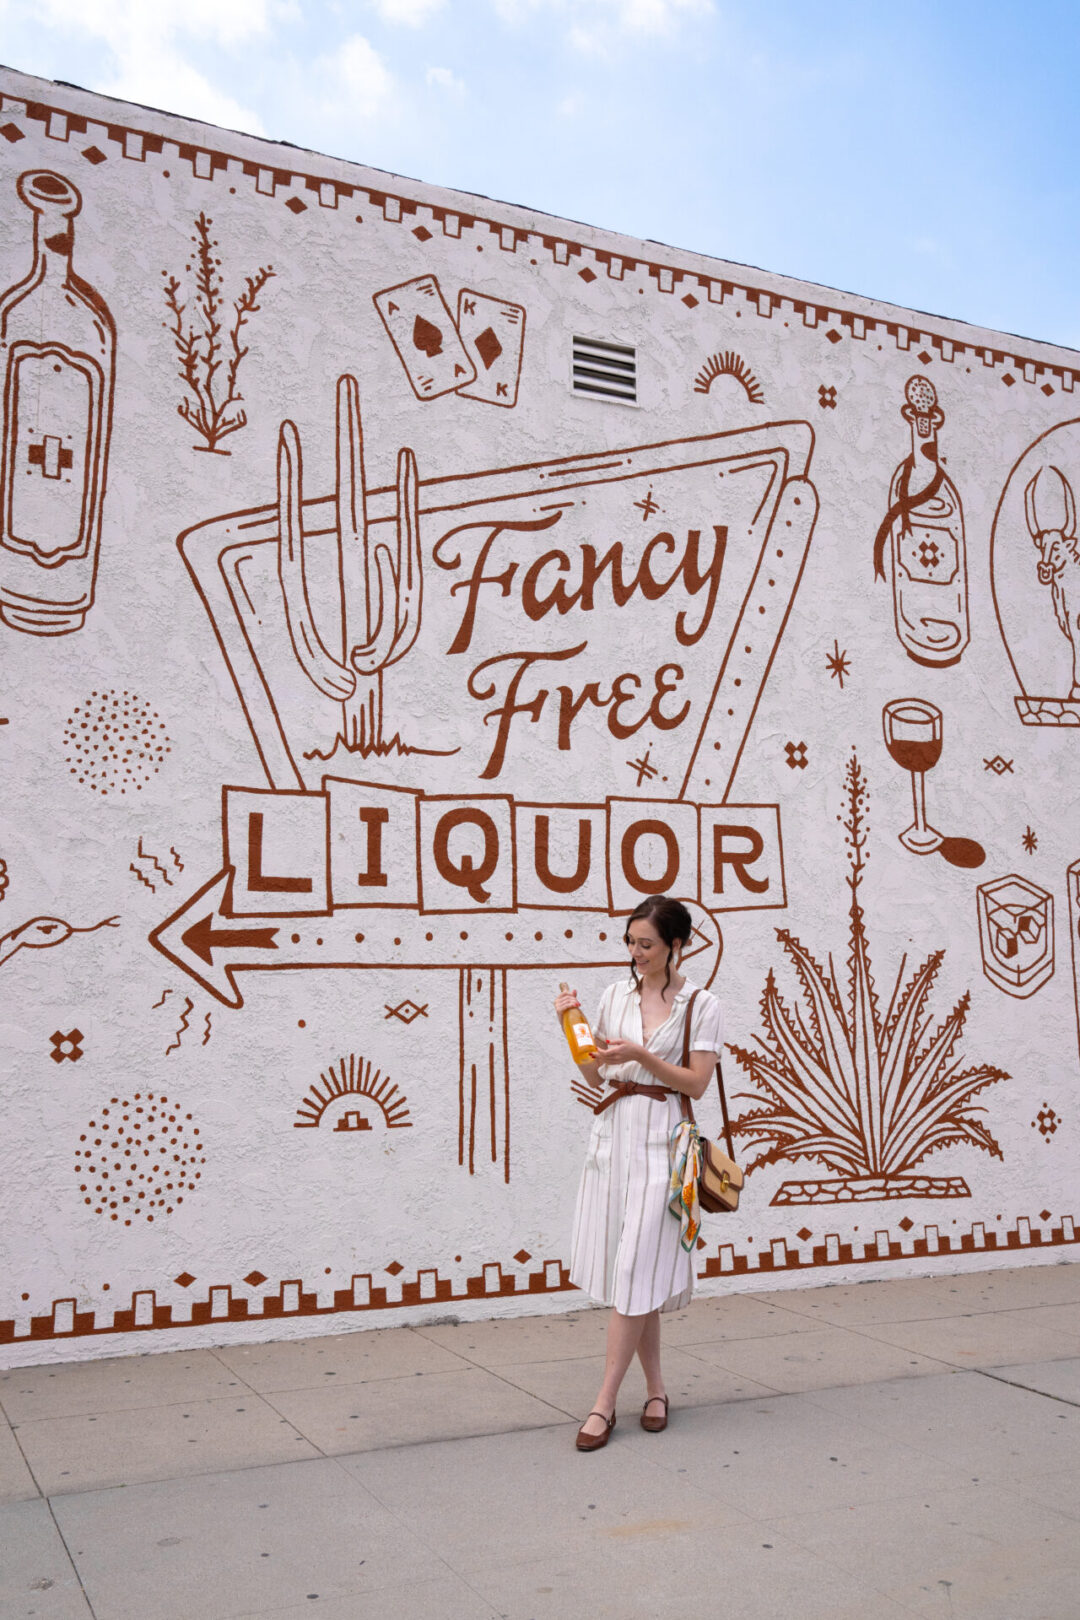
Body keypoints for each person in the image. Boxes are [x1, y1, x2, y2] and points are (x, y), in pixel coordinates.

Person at [554, 894, 722, 1451]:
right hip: (615, 1136)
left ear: (677, 944)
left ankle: (603, 1404)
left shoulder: (702, 1004)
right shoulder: (613, 995)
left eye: (646, 943)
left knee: (632, 1271)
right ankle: (656, 1391)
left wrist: (643, 1056)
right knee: (639, 1272)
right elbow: (595, 1072)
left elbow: (695, 1084)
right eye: (630, 942)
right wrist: (571, 1023)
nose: (635, 953)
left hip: (665, 1142)